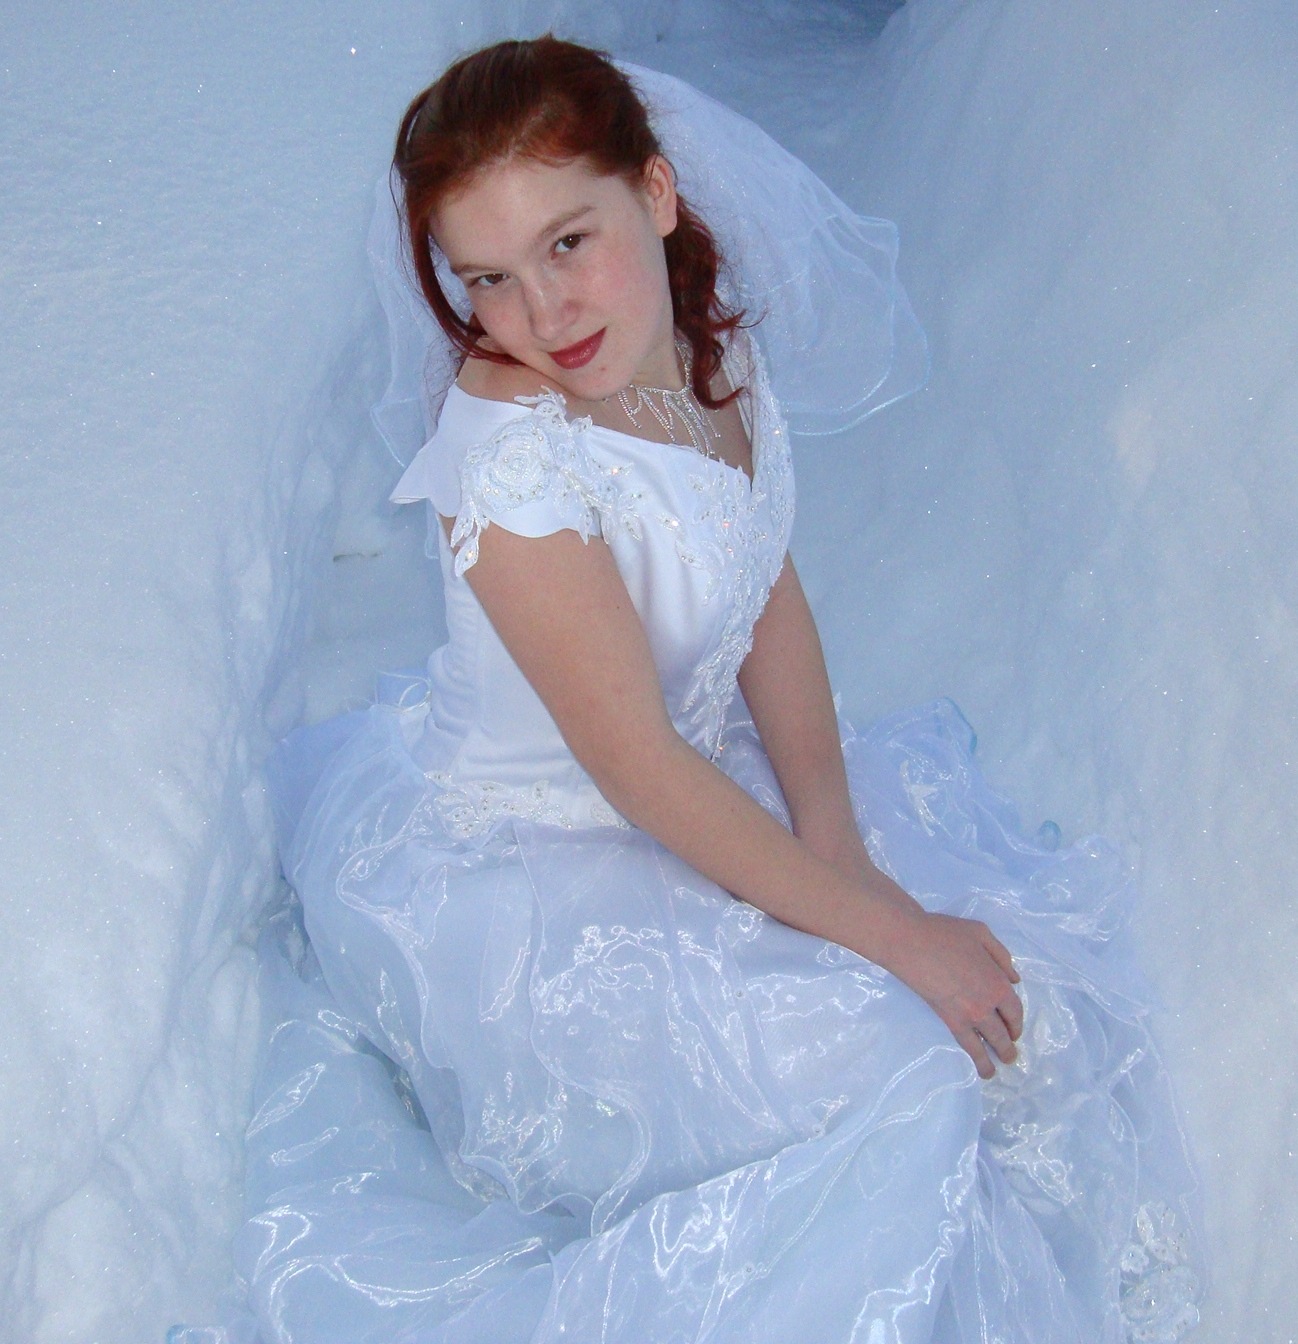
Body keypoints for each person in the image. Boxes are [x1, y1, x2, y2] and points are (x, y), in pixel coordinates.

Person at [207, 35, 1201, 1344]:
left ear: (658, 195)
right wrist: (884, 932)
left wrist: (840, 848)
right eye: (488, 279)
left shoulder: (696, 351)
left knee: (1011, 1008)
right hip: (538, 879)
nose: (542, 312)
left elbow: (761, 589)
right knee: (903, 1082)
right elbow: (636, 768)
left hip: (688, 790)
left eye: (569, 243)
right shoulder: (510, 456)